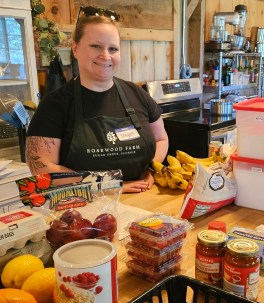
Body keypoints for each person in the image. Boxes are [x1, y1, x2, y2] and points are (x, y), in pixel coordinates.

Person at [26, 8, 168, 193]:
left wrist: (150, 170)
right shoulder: (54, 105)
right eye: (96, 46)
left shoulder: (137, 94)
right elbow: (40, 167)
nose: (106, 55)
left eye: (113, 49)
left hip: (141, 199)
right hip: (83, 208)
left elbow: (161, 139)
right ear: (75, 48)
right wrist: (107, 185)